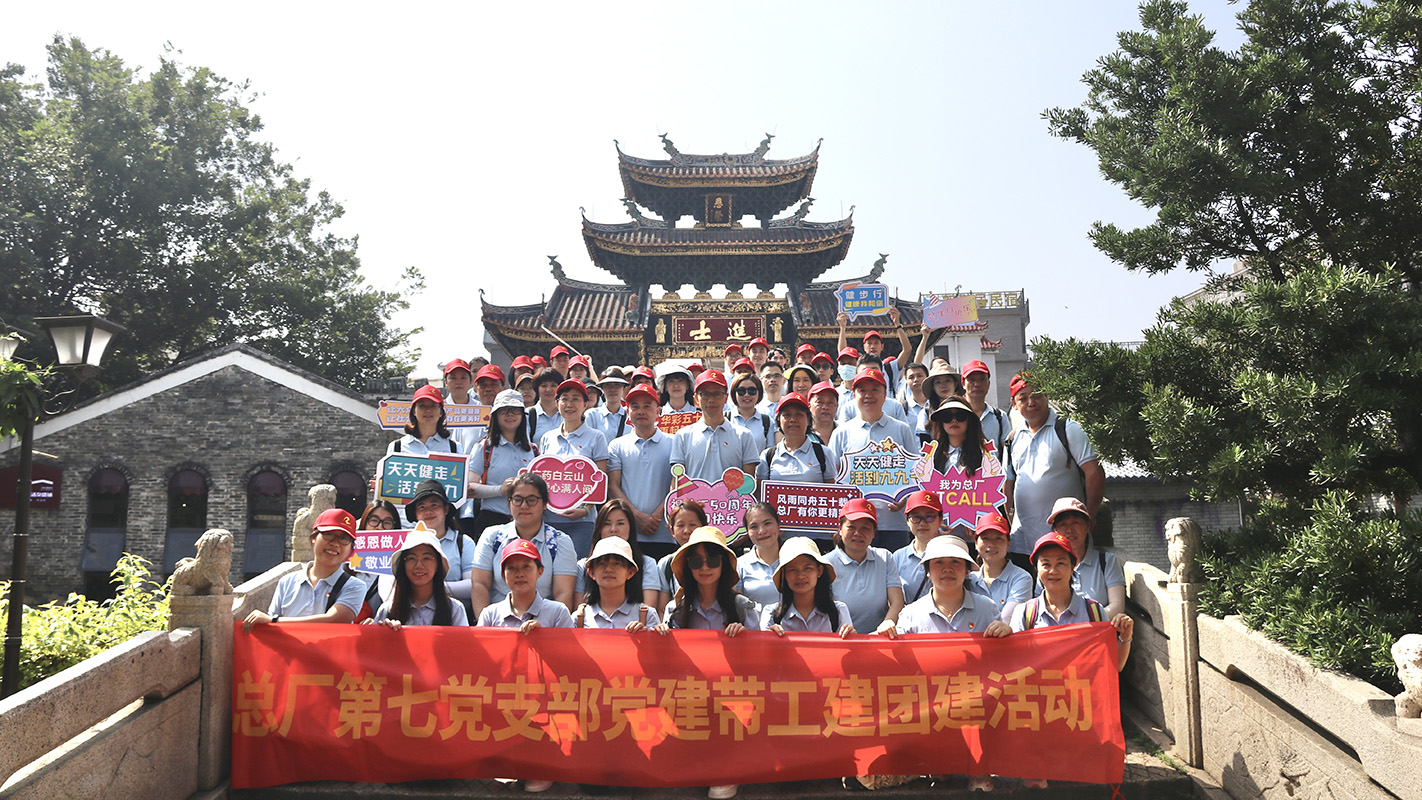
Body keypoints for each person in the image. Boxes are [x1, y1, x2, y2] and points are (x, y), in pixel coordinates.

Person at [1011, 531, 1135, 790]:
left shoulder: (1093, 611)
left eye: (1061, 563)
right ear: (1036, 569)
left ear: (1073, 566)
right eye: (1045, 563)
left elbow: (1115, 667)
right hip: (1039, 715)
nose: (1053, 570)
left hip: (1081, 713)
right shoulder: (1025, 613)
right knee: (1037, 785)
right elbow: (1013, 671)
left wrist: (1125, 639)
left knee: (1080, 782)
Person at [888, 533, 1009, 794]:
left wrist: (1004, 633)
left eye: (955, 562)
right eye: (938, 563)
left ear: (967, 570)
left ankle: (979, 766)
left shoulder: (987, 608)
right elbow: (898, 667)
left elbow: (1003, 662)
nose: (947, 569)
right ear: (928, 571)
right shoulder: (910, 614)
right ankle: (936, 762)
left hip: (975, 699)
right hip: (928, 700)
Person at [1002, 372, 1105, 571]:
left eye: (1036, 395)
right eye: (1023, 398)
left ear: (1046, 395)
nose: (1031, 402)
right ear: (1014, 404)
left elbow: (1095, 473)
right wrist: (1008, 522)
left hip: (1066, 537)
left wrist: (1089, 516)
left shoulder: (1068, 429)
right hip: (1023, 540)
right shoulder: (1013, 438)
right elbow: (1008, 483)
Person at [828, 368, 918, 551]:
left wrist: (905, 498)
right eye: (862, 390)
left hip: (893, 524)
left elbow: (916, 473)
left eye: (875, 389)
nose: (868, 395)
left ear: (885, 395)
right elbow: (833, 479)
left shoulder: (902, 429)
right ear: (854, 395)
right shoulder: (841, 433)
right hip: (855, 525)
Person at [469, 474, 578, 618]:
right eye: (517, 500)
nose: (524, 506)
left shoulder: (560, 542)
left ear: (545, 504)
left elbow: (563, 593)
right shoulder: (492, 536)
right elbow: (479, 584)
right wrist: (486, 628)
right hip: (498, 623)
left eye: (532, 500)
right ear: (509, 502)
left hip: (543, 625)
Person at [242, 508, 367, 630]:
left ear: (351, 549)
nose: (335, 544)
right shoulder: (287, 582)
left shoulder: (354, 586)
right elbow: (271, 630)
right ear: (313, 538)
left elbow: (333, 619)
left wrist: (274, 621)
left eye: (344, 539)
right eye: (328, 535)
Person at [538, 378, 609, 558]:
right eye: (564, 399)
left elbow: (600, 481)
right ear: (557, 403)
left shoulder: (596, 437)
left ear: (585, 404)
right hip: (549, 519)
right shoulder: (547, 438)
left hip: (582, 521)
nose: (569, 404)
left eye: (575, 399)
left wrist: (585, 510)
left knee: (576, 571)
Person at [607, 383, 677, 560]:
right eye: (635, 406)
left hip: (666, 532)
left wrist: (656, 517)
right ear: (628, 410)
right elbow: (613, 486)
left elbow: (677, 484)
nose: (641, 411)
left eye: (647, 406)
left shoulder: (675, 442)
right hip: (629, 534)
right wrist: (637, 517)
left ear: (658, 410)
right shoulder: (617, 445)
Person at [466, 389, 540, 536]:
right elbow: (469, 488)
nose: (510, 414)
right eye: (504, 410)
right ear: (495, 415)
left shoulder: (533, 450)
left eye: (515, 410)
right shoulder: (484, 447)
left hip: (528, 521)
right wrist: (500, 490)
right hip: (492, 519)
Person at [928, 396, 1002, 539]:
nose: (954, 421)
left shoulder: (986, 454)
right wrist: (935, 523)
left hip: (976, 537)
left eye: (960, 416)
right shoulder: (931, 455)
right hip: (941, 535)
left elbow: (991, 493)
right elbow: (927, 494)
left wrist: (977, 519)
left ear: (970, 420)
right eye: (947, 417)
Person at [827, 499, 904, 635]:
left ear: (873, 533)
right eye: (851, 527)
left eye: (865, 528)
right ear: (839, 529)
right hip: (841, 640)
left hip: (879, 641)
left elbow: (897, 602)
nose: (858, 533)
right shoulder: (826, 563)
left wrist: (887, 624)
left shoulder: (885, 557)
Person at [575, 498, 666, 610]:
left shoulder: (647, 563)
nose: (613, 529)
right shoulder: (583, 565)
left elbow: (649, 610)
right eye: (607, 524)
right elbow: (579, 610)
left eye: (620, 523)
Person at [669, 370, 757, 483]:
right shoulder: (683, 435)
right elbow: (677, 481)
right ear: (696, 399)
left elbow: (749, 483)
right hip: (693, 500)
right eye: (705, 394)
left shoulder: (744, 435)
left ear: (726, 398)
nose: (711, 400)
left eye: (717, 394)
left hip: (730, 500)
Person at [371, 529, 469, 628]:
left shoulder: (454, 609)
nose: (419, 565)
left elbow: (462, 642)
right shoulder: (387, 610)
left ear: (438, 565)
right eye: (411, 558)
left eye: (426, 558)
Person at [403, 479, 477, 610]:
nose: (428, 511)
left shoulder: (464, 543)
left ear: (446, 509)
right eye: (422, 507)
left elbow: (473, 584)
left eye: (434, 505)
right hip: (413, 616)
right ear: (415, 513)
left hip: (453, 618)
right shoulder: (406, 543)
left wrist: (431, 588)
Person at [1047, 496, 1125, 618]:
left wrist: (1084, 624)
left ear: (1088, 526)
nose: (1069, 530)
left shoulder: (1106, 561)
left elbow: (1117, 606)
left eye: (1075, 522)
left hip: (1096, 632)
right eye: (1063, 524)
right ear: (1055, 530)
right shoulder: (1047, 567)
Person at [762, 536, 854, 637]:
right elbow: (762, 651)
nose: (800, 576)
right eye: (792, 569)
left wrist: (851, 638)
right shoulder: (771, 614)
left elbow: (848, 651)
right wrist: (769, 639)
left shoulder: (838, 612)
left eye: (807, 568)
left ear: (819, 571)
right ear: (784, 575)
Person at [476, 538, 574, 631]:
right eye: (511, 568)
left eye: (526, 566)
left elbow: (566, 647)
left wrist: (543, 636)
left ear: (540, 571)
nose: (519, 574)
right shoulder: (490, 614)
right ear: (503, 574)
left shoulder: (558, 612)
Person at [575, 536, 659, 631]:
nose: (609, 569)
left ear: (630, 572)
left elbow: (656, 645)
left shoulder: (647, 615)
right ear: (591, 573)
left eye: (617, 563)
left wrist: (646, 636)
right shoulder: (579, 617)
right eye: (602, 563)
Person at [966, 511, 1033, 623]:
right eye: (985, 538)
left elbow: (1007, 620)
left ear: (1008, 544)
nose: (992, 544)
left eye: (999, 538)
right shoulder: (969, 579)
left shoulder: (1022, 578)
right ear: (976, 543)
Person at [755, 393, 833, 483]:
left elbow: (831, 491)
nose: (792, 419)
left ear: (808, 420)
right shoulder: (767, 456)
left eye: (799, 414)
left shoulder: (824, 453)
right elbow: (760, 493)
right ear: (779, 420)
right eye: (787, 415)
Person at [837, 308, 913, 392]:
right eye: (869, 343)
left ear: (882, 346)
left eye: (876, 343)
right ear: (864, 347)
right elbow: (843, 352)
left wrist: (898, 325)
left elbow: (907, 350)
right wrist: (842, 328)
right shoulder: (858, 368)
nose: (873, 346)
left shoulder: (890, 368)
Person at [893, 490, 946, 605]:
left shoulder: (951, 554)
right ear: (907, 521)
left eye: (930, 517)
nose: (922, 523)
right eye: (916, 517)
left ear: (940, 520)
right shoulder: (897, 557)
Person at [387, 385, 459, 459]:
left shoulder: (454, 448)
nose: (428, 410)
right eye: (422, 406)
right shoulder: (397, 447)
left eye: (433, 405)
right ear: (414, 411)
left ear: (441, 412)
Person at [736, 503, 784, 610]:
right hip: (753, 627)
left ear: (778, 525)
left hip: (791, 626)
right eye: (754, 527)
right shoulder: (739, 565)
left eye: (767, 523)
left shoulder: (793, 560)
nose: (762, 531)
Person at [658, 500, 708, 600]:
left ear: (703, 526)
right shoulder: (666, 564)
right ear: (672, 530)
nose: (686, 531)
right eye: (680, 525)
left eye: (692, 525)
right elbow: (662, 609)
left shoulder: (718, 559)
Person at [960, 359, 1008, 452]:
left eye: (982, 379)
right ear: (963, 384)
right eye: (971, 380)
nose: (977, 384)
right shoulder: (955, 416)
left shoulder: (1000, 417)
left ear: (988, 383)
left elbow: (1007, 451)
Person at [727, 372, 773, 454]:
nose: (747, 395)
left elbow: (770, 452)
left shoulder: (767, 422)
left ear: (759, 393)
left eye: (752, 390)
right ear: (734, 393)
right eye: (741, 391)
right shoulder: (725, 419)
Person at [588, 368, 630, 440]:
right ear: (602, 388)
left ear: (623, 388)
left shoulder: (630, 415)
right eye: (608, 385)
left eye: (617, 385)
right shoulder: (592, 415)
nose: (613, 389)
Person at [527, 368, 563, 444]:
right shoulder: (528, 415)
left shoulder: (567, 414)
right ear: (537, 388)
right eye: (544, 386)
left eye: (553, 385)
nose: (548, 389)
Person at [808, 381, 840, 445]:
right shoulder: (801, 436)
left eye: (830, 402)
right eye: (820, 402)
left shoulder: (845, 433)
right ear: (809, 406)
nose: (825, 407)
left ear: (836, 407)